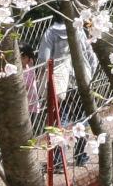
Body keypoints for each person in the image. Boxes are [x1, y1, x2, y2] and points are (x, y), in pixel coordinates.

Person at [35, 19, 98, 163]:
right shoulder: (78, 29)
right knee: (82, 118)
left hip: (60, 83)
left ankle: (57, 161)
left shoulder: (50, 32)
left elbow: (43, 59)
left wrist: (42, 76)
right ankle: (81, 157)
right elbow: (90, 56)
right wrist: (89, 74)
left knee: (60, 120)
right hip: (81, 79)